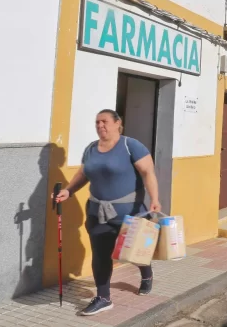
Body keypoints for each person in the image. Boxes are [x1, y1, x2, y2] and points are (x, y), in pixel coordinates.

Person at [53, 109, 161, 316]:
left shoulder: (131, 146)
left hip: (130, 213)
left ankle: (146, 274)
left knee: (134, 252)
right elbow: (83, 174)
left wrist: (155, 199)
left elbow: (148, 172)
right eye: (97, 122)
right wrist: (68, 190)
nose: (100, 126)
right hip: (98, 213)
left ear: (117, 123)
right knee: (101, 255)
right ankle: (103, 297)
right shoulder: (91, 149)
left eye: (104, 121)